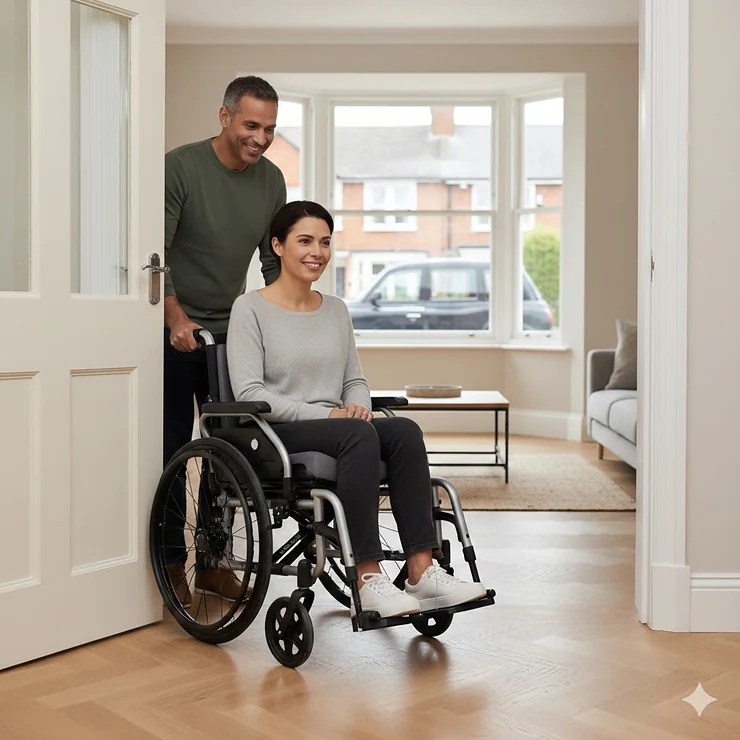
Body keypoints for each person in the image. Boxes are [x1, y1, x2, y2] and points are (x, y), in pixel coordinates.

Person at [226, 201, 486, 618]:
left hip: (342, 428)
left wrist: (358, 408)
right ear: (277, 245)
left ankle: (421, 570)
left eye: (325, 242)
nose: (317, 252)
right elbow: (252, 392)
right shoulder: (250, 309)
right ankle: (367, 577)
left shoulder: (335, 310)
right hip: (277, 431)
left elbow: (354, 380)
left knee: (403, 431)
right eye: (305, 241)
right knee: (357, 434)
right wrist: (329, 417)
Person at [162, 75, 287, 606]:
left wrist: (278, 322)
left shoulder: (271, 180)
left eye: (270, 128)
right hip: (173, 329)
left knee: (229, 454)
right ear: (224, 117)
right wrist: (175, 318)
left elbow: (272, 260)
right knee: (171, 450)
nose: (260, 138)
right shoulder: (181, 166)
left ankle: (213, 565)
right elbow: (155, 253)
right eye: (251, 125)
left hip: (229, 332)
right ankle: (170, 563)